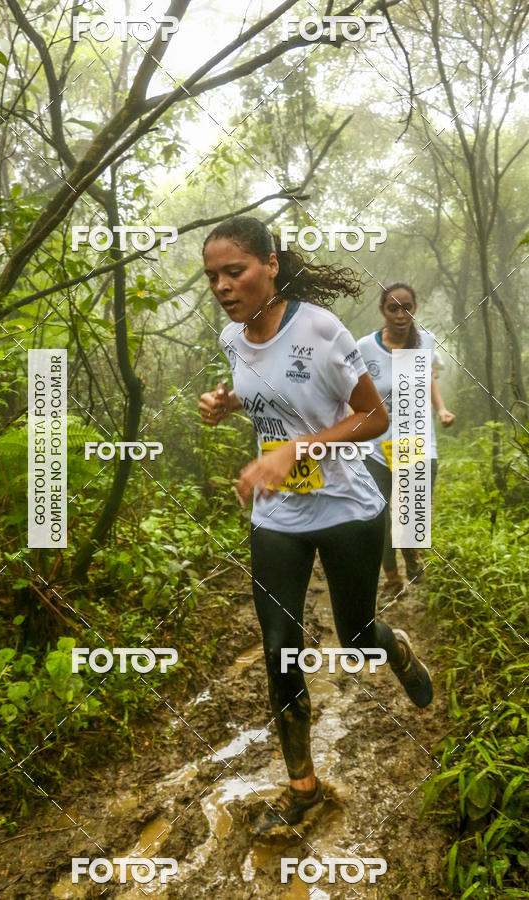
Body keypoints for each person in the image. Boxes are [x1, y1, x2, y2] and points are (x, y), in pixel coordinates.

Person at [198, 217, 433, 835]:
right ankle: (303, 788)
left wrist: (297, 451)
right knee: (280, 648)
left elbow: (373, 418)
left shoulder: (320, 329)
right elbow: (267, 397)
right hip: (277, 513)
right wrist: (225, 405)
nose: (222, 286)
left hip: (346, 507)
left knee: (355, 637)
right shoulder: (232, 338)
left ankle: (395, 647)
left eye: (235, 271)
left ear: (270, 265)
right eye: (213, 276)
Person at [357, 283, 456, 597]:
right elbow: (353, 391)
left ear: (415, 308)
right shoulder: (365, 348)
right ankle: (392, 580)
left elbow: (427, 379)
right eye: (393, 308)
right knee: (378, 514)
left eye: (407, 308)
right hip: (376, 445)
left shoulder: (424, 342)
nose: (401, 315)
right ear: (382, 310)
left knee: (410, 512)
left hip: (414, 440)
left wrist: (441, 409)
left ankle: (411, 554)